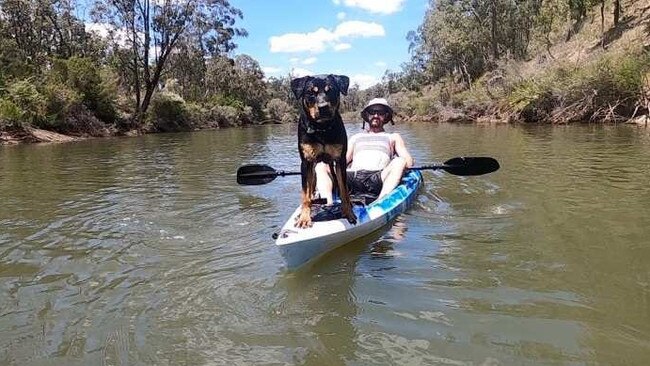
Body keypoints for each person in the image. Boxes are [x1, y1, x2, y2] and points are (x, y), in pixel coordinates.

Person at [315, 97, 414, 205]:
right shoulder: (356, 137)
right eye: (372, 112)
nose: (376, 115)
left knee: (400, 161)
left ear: (385, 116)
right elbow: (343, 160)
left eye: (380, 112)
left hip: (377, 178)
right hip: (351, 177)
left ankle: (381, 202)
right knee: (321, 165)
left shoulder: (393, 137)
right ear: (367, 115)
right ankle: (327, 204)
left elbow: (408, 163)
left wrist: (399, 163)